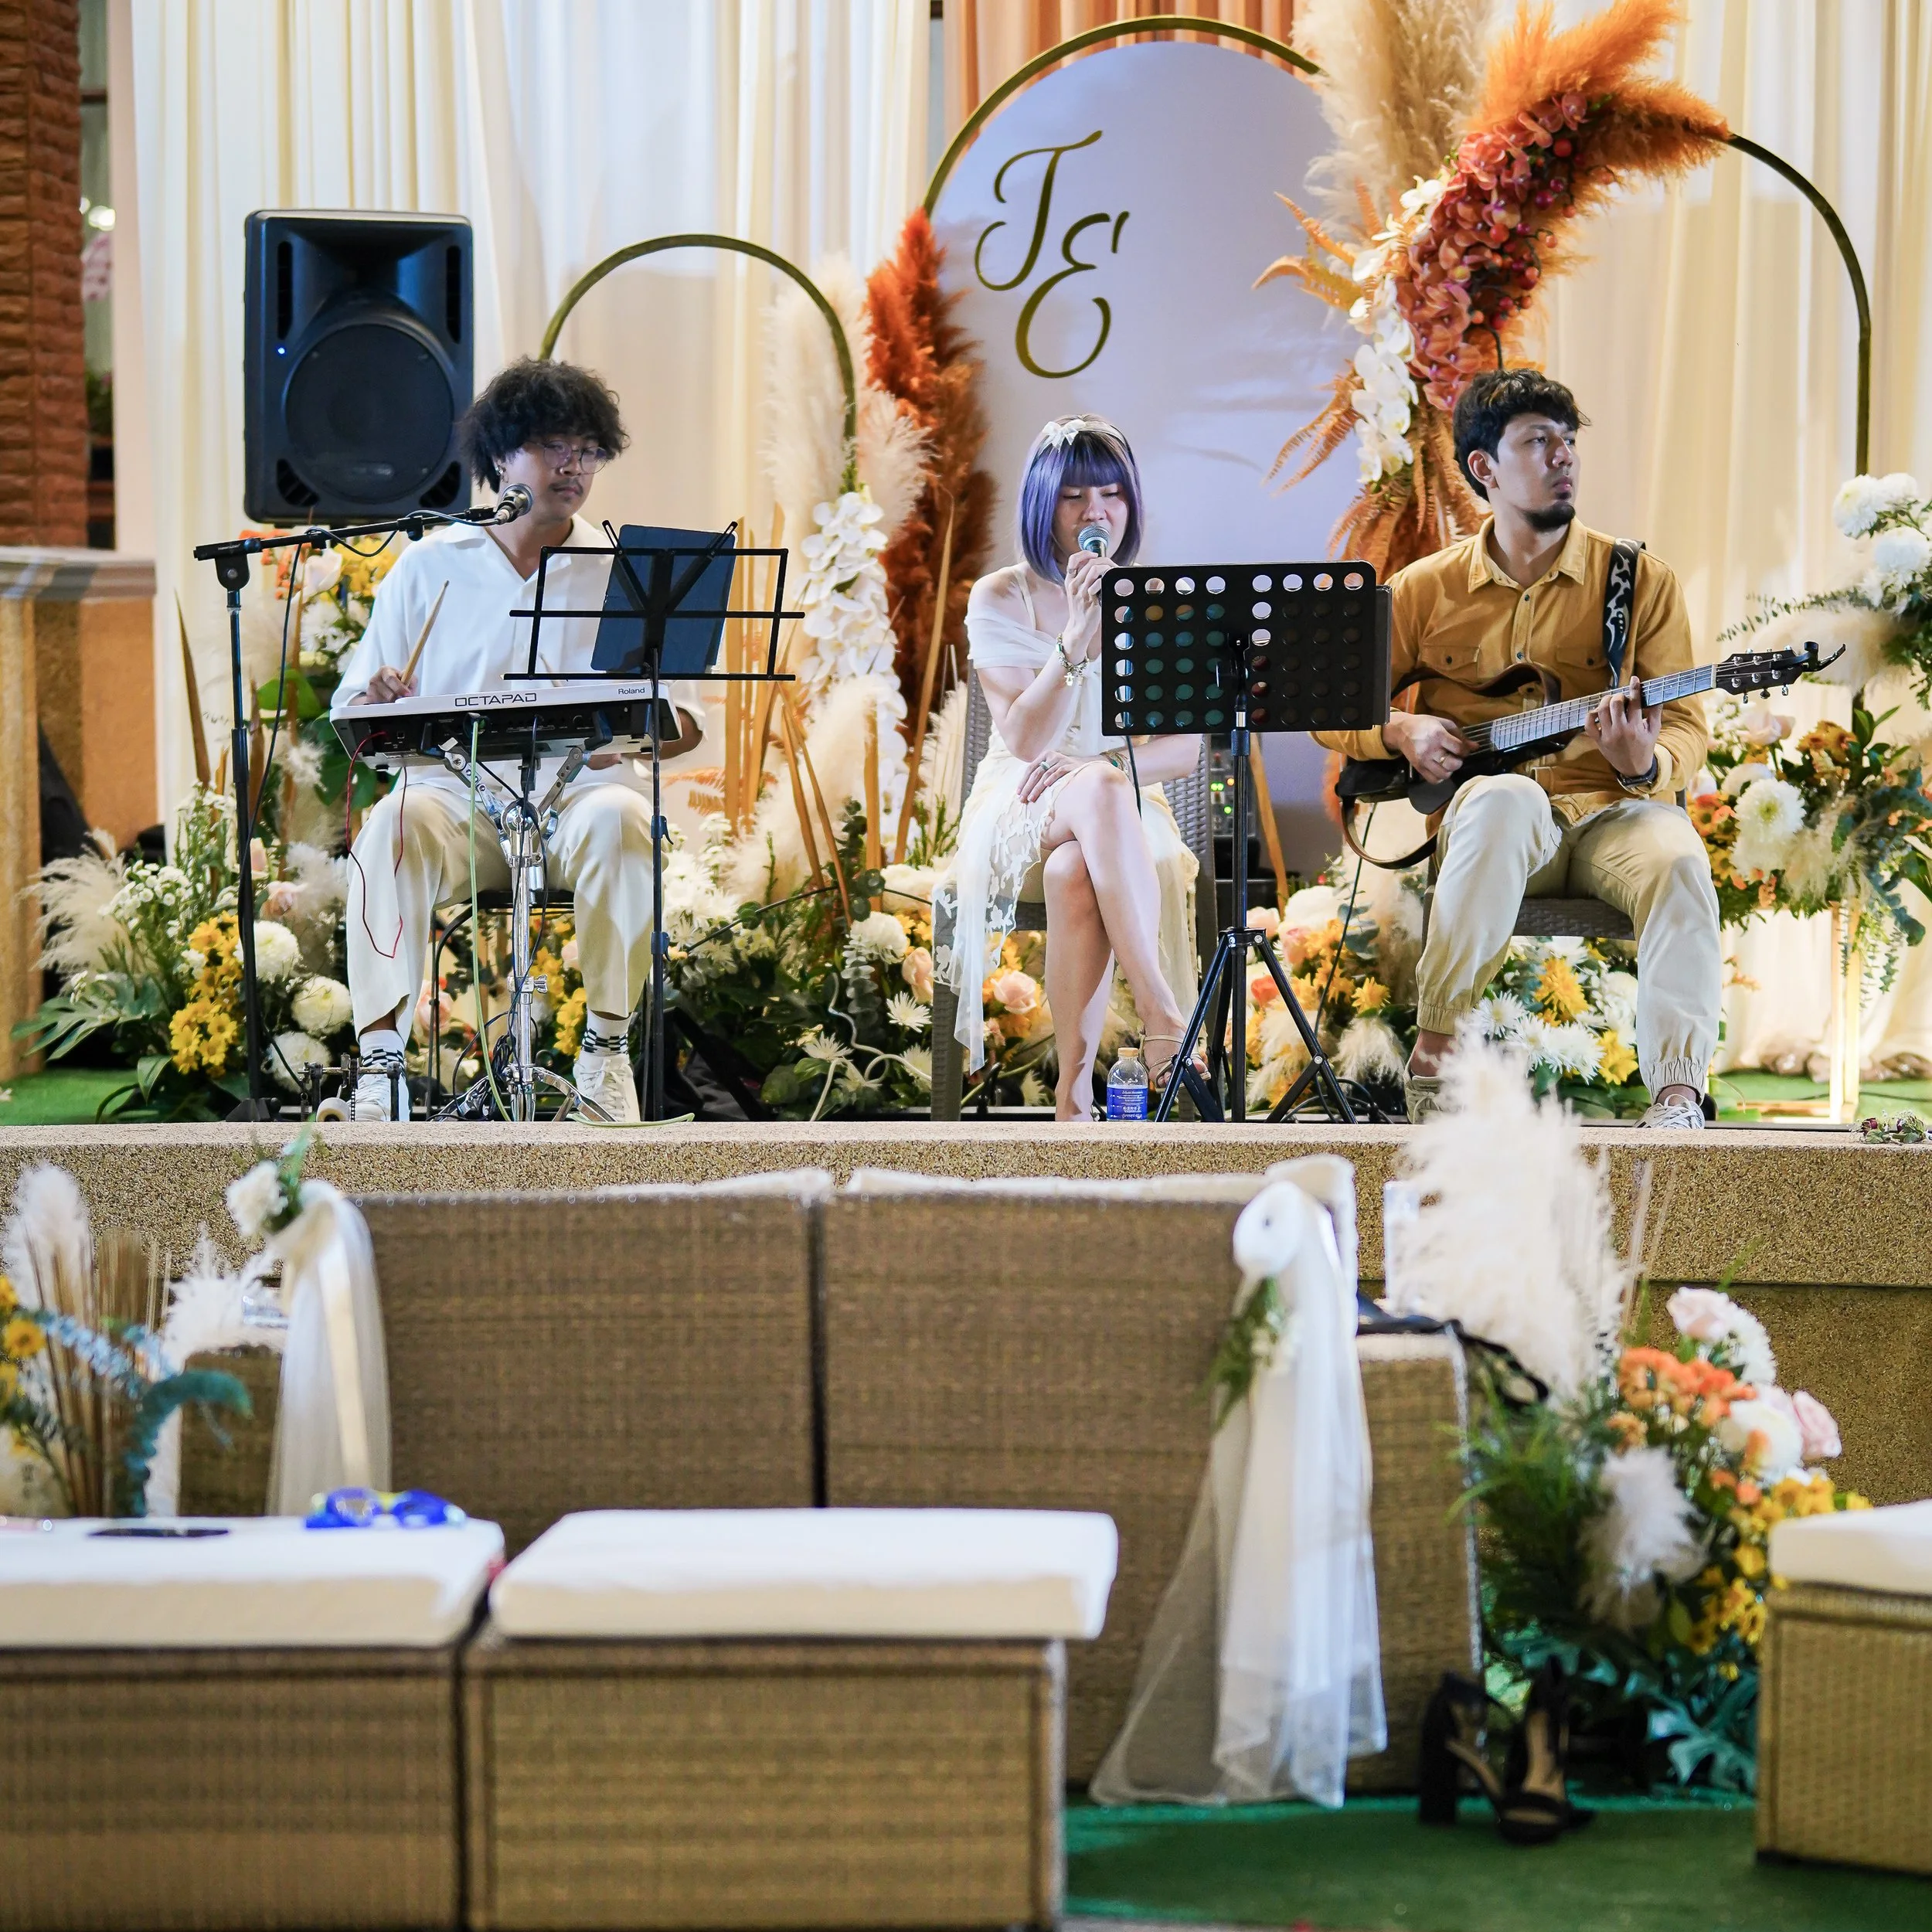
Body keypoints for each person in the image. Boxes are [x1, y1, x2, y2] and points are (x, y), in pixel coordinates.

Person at [1315, 369, 1719, 1128]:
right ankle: (1437, 1052)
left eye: (1568, 441)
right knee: (1505, 797)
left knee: (1679, 855)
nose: (1563, 456)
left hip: (1611, 813)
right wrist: (1397, 729)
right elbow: (1330, 708)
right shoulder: (1423, 589)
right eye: (1538, 441)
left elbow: (1688, 726)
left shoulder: (1638, 581)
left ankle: (1675, 1095)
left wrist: (1643, 763)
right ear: (1484, 469)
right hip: (1493, 828)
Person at [332, 357, 703, 1122]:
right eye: (553, 446)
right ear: (502, 457)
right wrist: (380, 702)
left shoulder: (620, 571)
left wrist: (629, 738)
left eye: (588, 450)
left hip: (575, 801)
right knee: (388, 826)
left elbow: (684, 724)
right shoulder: (428, 565)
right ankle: (381, 1066)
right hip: (456, 805)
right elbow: (357, 724)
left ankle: (604, 1055)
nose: (573, 466)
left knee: (624, 817)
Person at [937, 415, 1202, 1121]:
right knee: (1102, 793)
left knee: (1074, 870)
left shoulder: (1157, 602)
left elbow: (1186, 749)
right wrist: (1080, 633)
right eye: (1076, 497)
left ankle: (1074, 1097)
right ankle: (1163, 1018)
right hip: (1021, 794)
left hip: (1115, 804)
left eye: (1113, 495)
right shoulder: (1002, 595)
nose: (1097, 514)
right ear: (1042, 504)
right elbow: (1024, 738)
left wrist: (1099, 761)